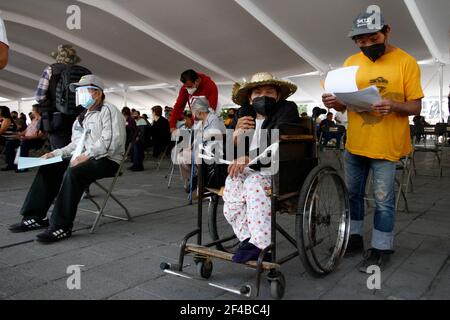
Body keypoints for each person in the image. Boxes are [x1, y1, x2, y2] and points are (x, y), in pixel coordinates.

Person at [322, 10, 424, 272]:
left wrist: (393, 105)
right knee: (353, 195)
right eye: (361, 41)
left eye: (372, 38)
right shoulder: (351, 62)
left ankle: (381, 247)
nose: (367, 45)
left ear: (387, 31)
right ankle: (353, 239)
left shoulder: (406, 62)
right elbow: (346, 106)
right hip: (355, 143)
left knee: (383, 200)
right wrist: (336, 103)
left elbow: (415, 107)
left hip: (386, 146)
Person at [8, 75, 126, 243]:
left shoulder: (108, 110)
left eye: (83, 91)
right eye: (77, 91)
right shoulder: (81, 117)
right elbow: (75, 145)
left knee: (74, 172)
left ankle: (61, 226)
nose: (79, 94)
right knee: (50, 166)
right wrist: (54, 154)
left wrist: (86, 156)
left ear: (97, 93)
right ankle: (35, 217)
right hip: (85, 158)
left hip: (108, 160)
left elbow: (112, 142)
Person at [224, 72, 299, 263]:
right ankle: (248, 239)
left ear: (278, 95)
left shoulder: (287, 109)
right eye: (257, 92)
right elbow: (226, 149)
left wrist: (249, 156)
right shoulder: (242, 113)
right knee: (232, 184)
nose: (263, 96)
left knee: (252, 182)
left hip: (275, 169)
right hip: (247, 169)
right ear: (250, 97)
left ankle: (261, 245)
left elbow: (280, 136)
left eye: (269, 91)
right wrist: (235, 135)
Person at [35, 44, 91, 150]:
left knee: (59, 152)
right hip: (81, 117)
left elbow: (39, 96)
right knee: (77, 148)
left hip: (56, 119)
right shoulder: (84, 72)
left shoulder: (51, 69)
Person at [176, 97, 226, 192]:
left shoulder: (214, 118)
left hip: (212, 149)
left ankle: (199, 178)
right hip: (201, 148)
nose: (193, 115)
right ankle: (193, 177)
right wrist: (190, 146)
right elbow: (197, 138)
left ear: (199, 112)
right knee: (181, 156)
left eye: (194, 112)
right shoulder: (200, 122)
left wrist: (203, 138)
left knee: (194, 155)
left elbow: (217, 134)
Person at [2, 104, 46, 172]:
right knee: (10, 143)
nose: (32, 111)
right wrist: (19, 135)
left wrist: (28, 138)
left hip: (36, 140)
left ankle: (23, 167)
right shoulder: (34, 120)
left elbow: (41, 135)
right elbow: (26, 130)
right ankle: (11, 164)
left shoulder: (42, 120)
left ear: (37, 111)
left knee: (24, 144)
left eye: (33, 110)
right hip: (26, 138)